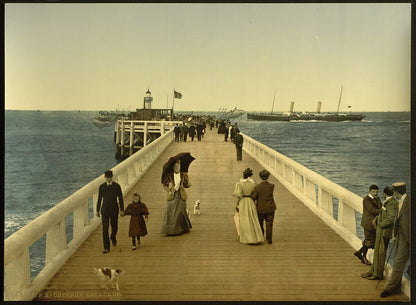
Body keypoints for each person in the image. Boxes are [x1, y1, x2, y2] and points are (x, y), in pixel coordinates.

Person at [380, 182, 410, 298]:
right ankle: (396, 288)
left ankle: (388, 288)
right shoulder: (401, 202)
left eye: (395, 193)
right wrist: (394, 235)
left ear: (397, 192)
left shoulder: (409, 202)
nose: (395, 195)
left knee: (398, 263)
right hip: (399, 237)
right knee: (399, 263)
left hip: (406, 239)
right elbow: (398, 220)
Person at [361, 186, 397, 280]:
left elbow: (390, 219)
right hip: (380, 231)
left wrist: (380, 224)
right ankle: (372, 271)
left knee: (380, 254)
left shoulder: (391, 203)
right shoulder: (388, 202)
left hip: (384, 231)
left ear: (384, 194)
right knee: (377, 252)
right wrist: (377, 219)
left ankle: (377, 274)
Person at [160, 159, 192, 235]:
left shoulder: (183, 175)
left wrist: (188, 184)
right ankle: (170, 230)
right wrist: (169, 190)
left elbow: (185, 184)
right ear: (173, 167)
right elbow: (164, 185)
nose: (177, 168)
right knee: (171, 211)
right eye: (175, 167)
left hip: (181, 194)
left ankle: (181, 229)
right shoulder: (169, 175)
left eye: (178, 167)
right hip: (172, 194)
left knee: (181, 211)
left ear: (180, 167)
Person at [233, 168, 264, 244]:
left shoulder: (239, 184)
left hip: (243, 201)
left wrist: (236, 204)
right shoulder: (254, 184)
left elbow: (239, 195)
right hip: (251, 201)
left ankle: (247, 238)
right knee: (253, 218)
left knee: (244, 220)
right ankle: (256, 237)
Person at [96, 170, 125, 253]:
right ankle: (106, 247)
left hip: (114, 209)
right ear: (105, 178)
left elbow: (120, 198)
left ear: (112, 177)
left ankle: (113, 236)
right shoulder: (102, 187)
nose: (109, 179)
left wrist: (122, 210)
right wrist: (97, 210)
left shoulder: (116, 186)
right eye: (107, 177)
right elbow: (99, 199)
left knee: (114, 226)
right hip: (104, 210)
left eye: (110, 177)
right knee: (105, 229)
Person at [354, 184, 381, 265]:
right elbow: (372, 210)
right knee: (369, 241)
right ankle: (360, 254)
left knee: (368, 240)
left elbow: (381, 207)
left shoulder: (377, 199)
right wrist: (383, 211)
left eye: (376, 192)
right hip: (368, 223)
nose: (375, 193)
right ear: (370, 191)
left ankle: (361, 255)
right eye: (373, 192)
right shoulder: (366, 199)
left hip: (374, 223)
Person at [251, 169, 277, 244]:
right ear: (268, 177)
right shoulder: (271, 186)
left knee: (260, 223)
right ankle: (269, 239)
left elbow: (254, 197)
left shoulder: (257, 187)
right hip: (270, 207)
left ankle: (261, 237)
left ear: (260, 177)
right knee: (269, 224)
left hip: (260, 208)